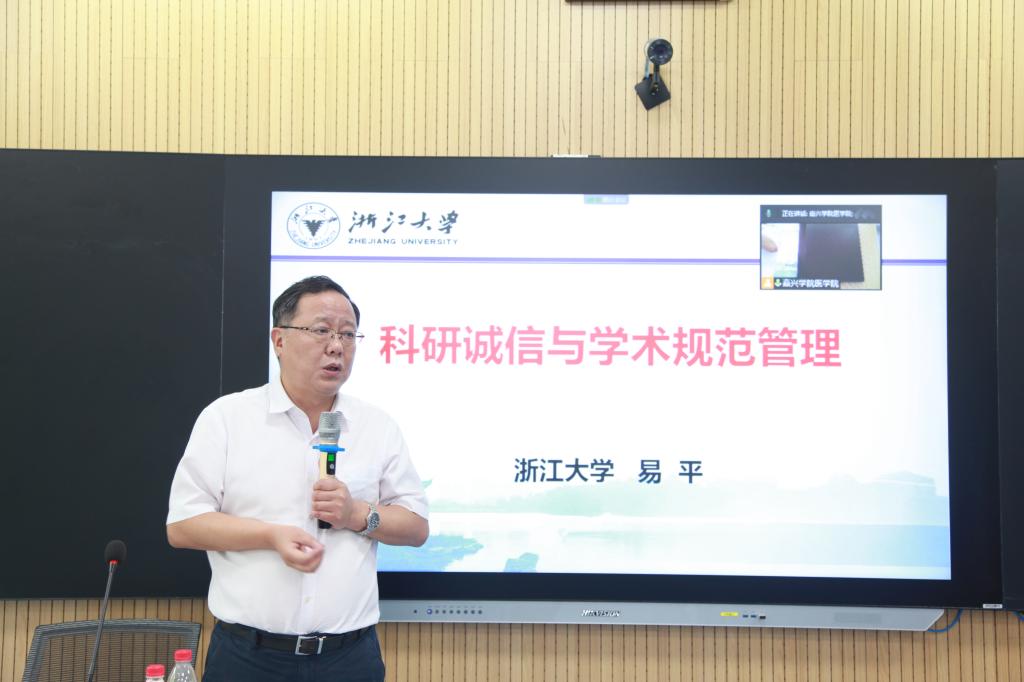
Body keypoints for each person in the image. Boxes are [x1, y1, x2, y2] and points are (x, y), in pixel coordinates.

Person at [167, 275, 429, 682]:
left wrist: (357, 514)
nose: (337, 346)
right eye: (322, 330)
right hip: (248, 658)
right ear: (279, 340)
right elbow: (183, 526)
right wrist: (270, 536)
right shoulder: (227, 419)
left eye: (348, 334)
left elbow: (416, 527)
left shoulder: (377, 427)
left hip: (349, 658)